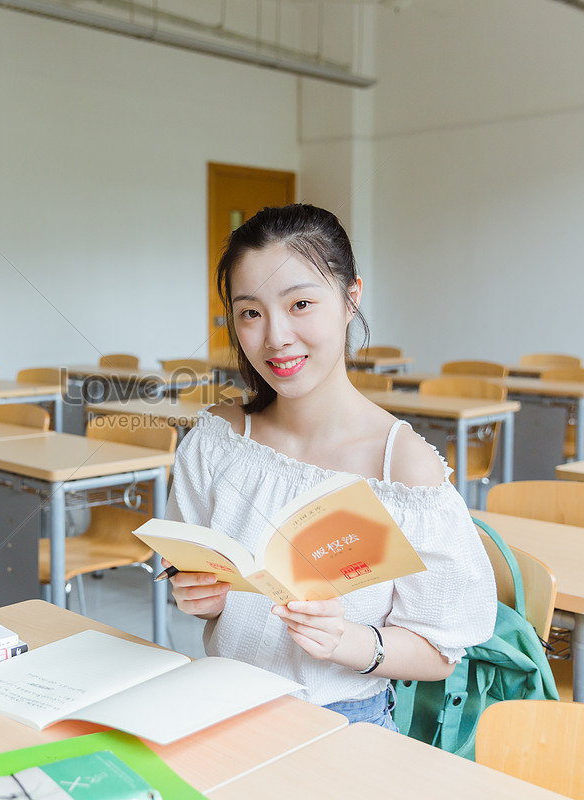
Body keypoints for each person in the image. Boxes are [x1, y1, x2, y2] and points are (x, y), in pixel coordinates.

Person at [165, 203, 497, 730]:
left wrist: (347, 641)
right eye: (250, 312)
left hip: (344, 721)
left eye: (300, 304)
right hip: (224, 707)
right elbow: (200, 583)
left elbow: (441, 651)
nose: (275, 337)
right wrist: (199, 597)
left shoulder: (401, 470)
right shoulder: (217, 440)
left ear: (351, 298)